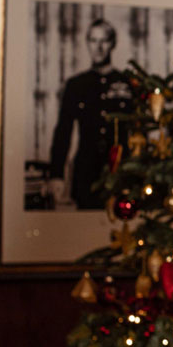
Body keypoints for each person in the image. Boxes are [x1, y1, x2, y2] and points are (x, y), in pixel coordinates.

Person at [47, 18, 131, 209]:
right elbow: (63, 131)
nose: (98, 47)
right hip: (86, 171)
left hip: (122, 170)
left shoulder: (127, 83)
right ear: (87, 43)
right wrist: (56, 175)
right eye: (93, 40)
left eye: (104, 41)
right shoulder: (76, 85)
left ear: (113, 43)